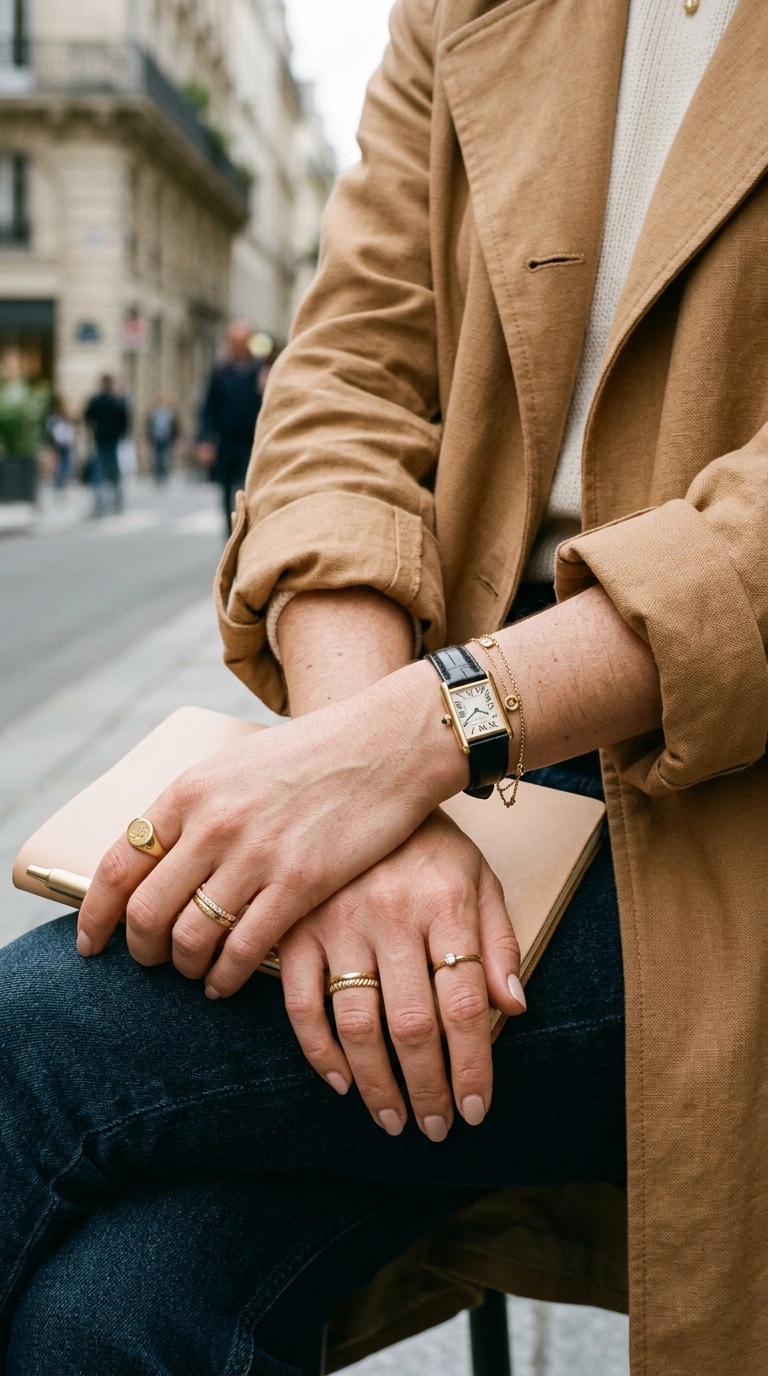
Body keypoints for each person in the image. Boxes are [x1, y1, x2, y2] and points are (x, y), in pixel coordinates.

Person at [0, 3, 765, 1375]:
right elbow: (346, 381)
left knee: (39, 1046)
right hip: (485, 764)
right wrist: (376, 778)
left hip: (718, 790)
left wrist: (429, 732)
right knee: (107, 1318)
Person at [196, 320, 264, 533]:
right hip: (226, 443)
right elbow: (208, 408)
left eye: (243, 341)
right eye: (235, 341)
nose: (239, 345)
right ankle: (231, 536)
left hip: (254, 443)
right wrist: (204, 440)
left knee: (250, 492)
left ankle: (249, 536)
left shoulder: (261, 372)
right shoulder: (221, 373)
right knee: (227, 495)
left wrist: (267, 387)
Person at [83, 374, 128, 516]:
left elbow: (87, 417)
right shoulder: (117, 401)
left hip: (100, 439)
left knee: (99, 472)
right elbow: (124, 422)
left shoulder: (97, 401)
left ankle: (100, 505)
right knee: (114, 471)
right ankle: (117, 504)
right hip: (113, 440)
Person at [146, 393, 179, 484]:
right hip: (156, 438)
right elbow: (149, 426)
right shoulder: (153, 413)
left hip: (167, 438)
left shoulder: (170, 413)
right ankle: (158, 475)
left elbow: (175, 427)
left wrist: (175, 438)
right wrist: (149, 438)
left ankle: (165, 474)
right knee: (157, 457)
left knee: (166, 456)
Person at [45, 397, 75, 489]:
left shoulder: (67, 420)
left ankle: (62, 482)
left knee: (66, 464)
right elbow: (52, 432)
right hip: (58, 444)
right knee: (58, 464)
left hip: (66, 445)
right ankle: (58, 482)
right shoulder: (55, 420)